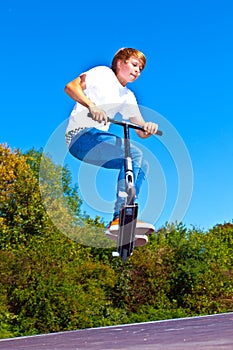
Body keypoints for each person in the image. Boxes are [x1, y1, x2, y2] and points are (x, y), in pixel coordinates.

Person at [65, 48, 159, 246]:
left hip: (96, 140)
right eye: (134, 64)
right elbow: (71, 87)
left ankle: (124, 219)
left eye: (140, 69)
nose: (137, 71)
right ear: (119, 62)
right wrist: (91, 106)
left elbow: (140, 130)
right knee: (133, 154)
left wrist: (148, 127)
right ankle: (120, 216)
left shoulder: (128, 97)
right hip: (80, 136)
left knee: (140, 163)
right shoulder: (102, 73)